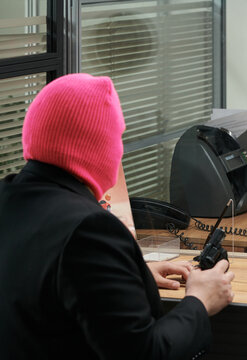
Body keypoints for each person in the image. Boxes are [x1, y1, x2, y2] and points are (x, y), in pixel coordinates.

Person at [0, 73, 234, 359]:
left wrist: (128, 275)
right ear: (96, 145)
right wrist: (199, 301)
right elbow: (146, 353)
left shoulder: (9, 199)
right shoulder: (89, 229)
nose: (119, 150)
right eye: (117, 138)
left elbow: (37, 283)